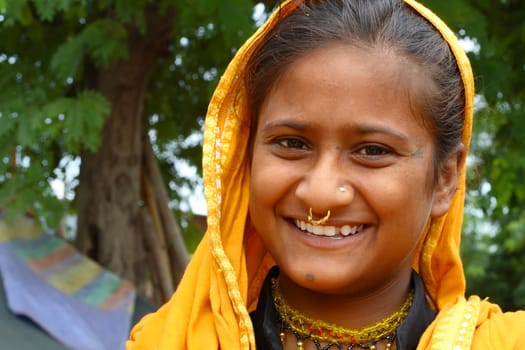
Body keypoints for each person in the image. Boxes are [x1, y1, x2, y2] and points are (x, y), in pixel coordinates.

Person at [127, 0, 525, 349]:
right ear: (244, 157)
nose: (321, 194)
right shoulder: (166, 342)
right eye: (292, 144)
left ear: (444, 178)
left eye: (372, 151)